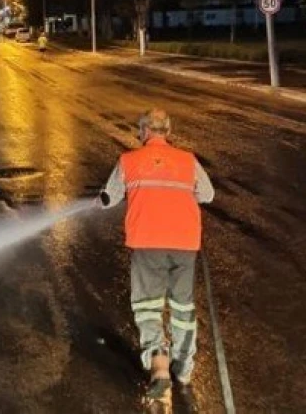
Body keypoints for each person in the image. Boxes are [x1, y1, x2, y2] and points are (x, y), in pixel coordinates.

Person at [98, 109, 215, 410]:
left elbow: (108, 197)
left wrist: (102, 199)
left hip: (147, 243)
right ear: (168, 130)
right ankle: (184, 371)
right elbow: (208, 195)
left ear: (143, 131)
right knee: (182, 307)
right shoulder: (188, 161)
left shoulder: (129, 161)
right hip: (184, 244)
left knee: (148, 305)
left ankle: (159, 367)